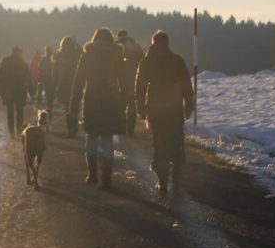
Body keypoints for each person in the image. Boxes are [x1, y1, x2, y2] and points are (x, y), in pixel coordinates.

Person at [135, 30, 195, 197]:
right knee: (176, 139)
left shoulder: (146, 62)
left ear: (153, 43)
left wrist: (140, 107)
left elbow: (139, 87)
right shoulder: (177, 60)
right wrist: (189, 104)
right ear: (167, 43)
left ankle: (162, 180)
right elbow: (186, 85)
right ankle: (176, 174)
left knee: (159, 142)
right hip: (174, 107)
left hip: (155, 108)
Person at [69, 28, 128, 188]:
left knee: (92, 136)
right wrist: (125, 102)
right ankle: (107, 178)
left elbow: (78, 82)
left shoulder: (87, 55)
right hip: (111, 100)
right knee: (108, 138)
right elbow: (124, 82)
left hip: (92, 100)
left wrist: (73, 106)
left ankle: (93, 174)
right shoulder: (116, 55)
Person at [0, 46, 34, 138]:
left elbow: (0, 77)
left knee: (10, 111)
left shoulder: (5, 62)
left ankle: (11, 131)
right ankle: (19, 129)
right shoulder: (22, 63)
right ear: (19, 53)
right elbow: (28, 78)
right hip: (19, 90)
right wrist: (31, 90)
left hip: (8, 91)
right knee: (19, 111)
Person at [117, 29, 145, 136]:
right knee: (132, 105)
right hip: (134, 80)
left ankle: (121, 127)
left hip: (120, 81)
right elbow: (143, 61)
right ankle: (131, 128)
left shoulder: (116, 47)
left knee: (121, 106)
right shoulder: (136, 47)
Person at [53, 36, 82, 137]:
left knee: (67, 108)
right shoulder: (76, 55)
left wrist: (55, 84)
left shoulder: (59, 56)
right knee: (75, 107)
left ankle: (70, 128)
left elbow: (55, 73)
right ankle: (74, 124)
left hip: (63, 85)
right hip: (76, 84)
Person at [38, 45, 55, 116]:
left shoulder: (44, 59)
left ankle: (46, 105)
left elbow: (40, 68)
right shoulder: (52, 59)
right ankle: (49, 106)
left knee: (47, 93)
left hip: (46, 78)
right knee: (50, 94)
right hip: (51, 79)